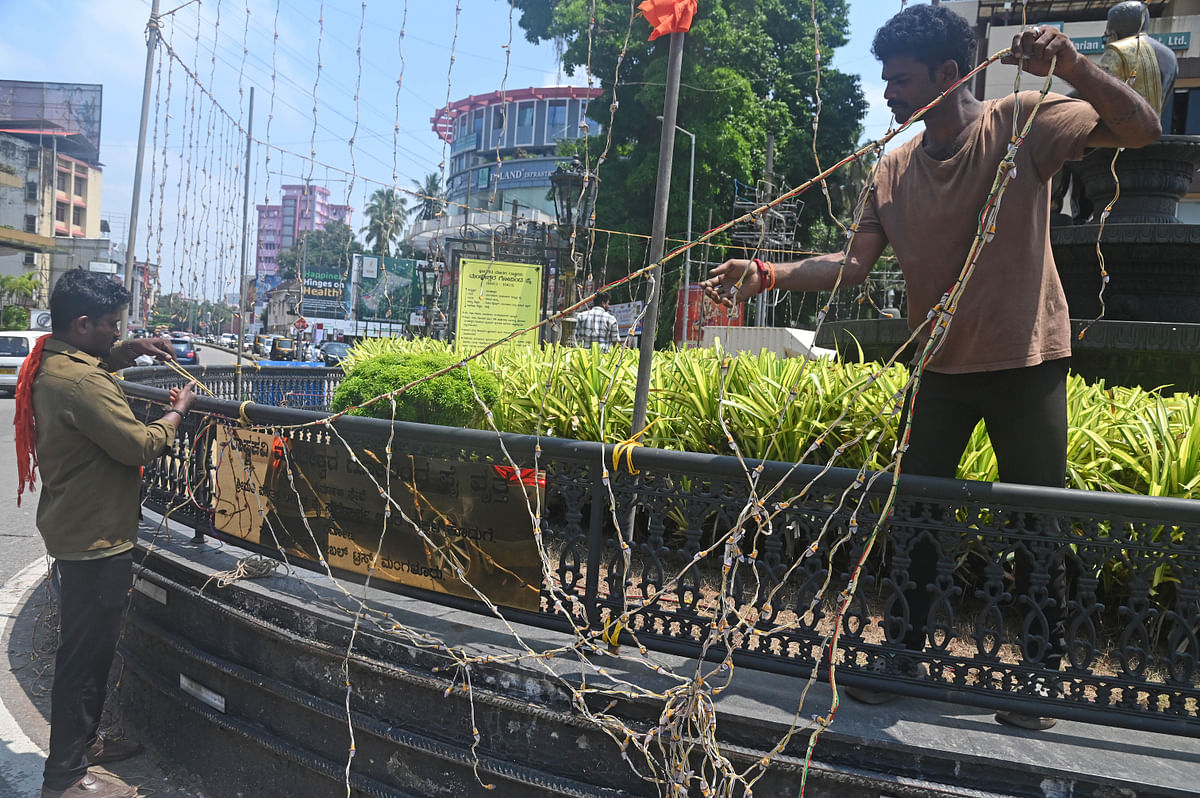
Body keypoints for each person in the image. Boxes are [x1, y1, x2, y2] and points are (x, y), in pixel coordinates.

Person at [703, 5, 1159, 729]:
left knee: (1035, 521)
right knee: (914, 513)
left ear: (951, 74)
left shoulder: (1018, 122)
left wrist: (1072, 66)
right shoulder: (892, 166)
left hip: (1025, 359)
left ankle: (1037, 677)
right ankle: (901, 656)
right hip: (939, 367)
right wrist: (771, 272)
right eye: (885, 80)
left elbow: (1143, 129)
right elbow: (852, 267)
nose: (889, 94)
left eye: (902, 80)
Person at [15, 269, 197, 798]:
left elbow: (94, 368)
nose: (118, 334)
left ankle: (84, 744)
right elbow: (138, 446)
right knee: (84, 658)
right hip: (95, 539)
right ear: (83, 323)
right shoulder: (81, 383)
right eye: (113, 327)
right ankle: (64, 774)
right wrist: (176, 413)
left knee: (90, 650)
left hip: (78, 524)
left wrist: (128, 351)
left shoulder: (54, 360)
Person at [1100, 1, 1177, 115]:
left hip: (1115, 129)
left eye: (1107, 35)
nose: (1106, 41)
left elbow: (1095, 89)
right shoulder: (1171, 57)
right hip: (1152, 130)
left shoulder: (1117, 50)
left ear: (1114, 32)